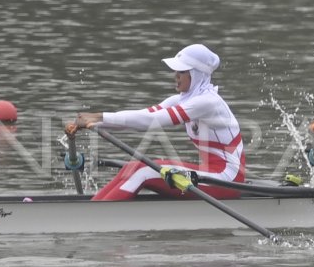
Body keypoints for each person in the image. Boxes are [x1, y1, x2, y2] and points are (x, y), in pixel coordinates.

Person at [71, 44, 245, 201]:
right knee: (132, 167)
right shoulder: (182, 100)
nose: (175, 76)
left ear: (196, 74)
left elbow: (149, 122)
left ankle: (96, 217)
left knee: (143, 170)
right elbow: (143, 115)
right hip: (212, 173)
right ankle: (93, 207)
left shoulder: (207, 102)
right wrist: (89, 123)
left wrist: (99, 117)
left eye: (181, 72)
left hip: (227, 180)